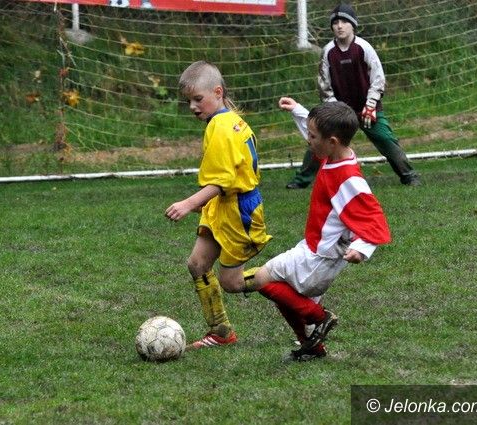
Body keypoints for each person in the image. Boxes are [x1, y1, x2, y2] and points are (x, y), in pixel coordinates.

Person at [243, 99, 391, 361]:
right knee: (286, 297)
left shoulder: (348, 178)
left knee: (261, 280)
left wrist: (361, 248)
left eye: (312, 136)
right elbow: (317, 135)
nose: (308, 140)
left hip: (317, 258)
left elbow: (372, 217)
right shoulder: (335, 153)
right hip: (316, 251)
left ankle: (320, 317)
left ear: (332, 142)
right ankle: (311, 347)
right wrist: (298, 111)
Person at [165, 61, 272, 350]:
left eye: (198, 99)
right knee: (197, 264)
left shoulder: (222, 127)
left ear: (217, 92)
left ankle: (288, 277)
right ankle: (220, 331)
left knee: (232, 283)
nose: (192, 106)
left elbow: (221, 181)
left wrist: (189, 203)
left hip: (239, 209)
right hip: (222, 205)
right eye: (189, 101)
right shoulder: (226, 120)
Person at [286, 3, 420, 189]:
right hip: (339, 112)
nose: (339, 26)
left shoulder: (364, 48)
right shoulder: (328, 52)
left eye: (344, 22)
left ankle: (409, 176)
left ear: (353, 25)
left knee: (385, 139)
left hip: (367, 109)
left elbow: (378, 79)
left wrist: (370, 105)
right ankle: (301, 181)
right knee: (320, 140)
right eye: (335, 23)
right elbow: (324, 86)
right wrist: (335, 110)